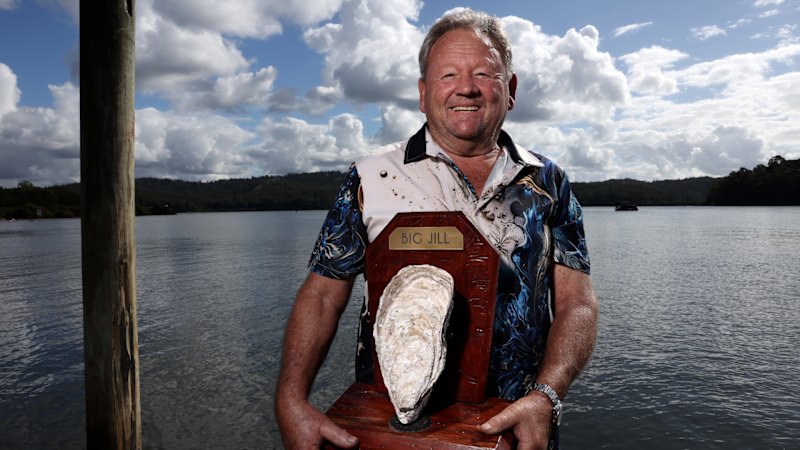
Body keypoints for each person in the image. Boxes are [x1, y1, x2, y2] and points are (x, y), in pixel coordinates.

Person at [275, 8, 598, 450]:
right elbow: (322, 295)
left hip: (521, 431)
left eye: (484, 73)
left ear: (511, 90)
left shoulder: (548, 181)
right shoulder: (370, 177)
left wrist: (547, 397)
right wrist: (291, 399)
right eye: (448, 75)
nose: (466, 87)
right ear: (423, 93)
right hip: (393, 433)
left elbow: (578, 302)